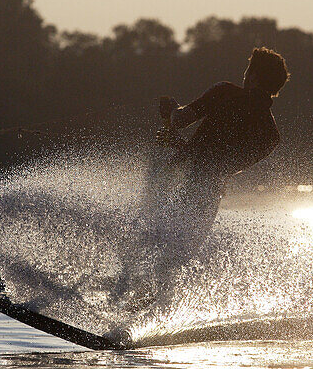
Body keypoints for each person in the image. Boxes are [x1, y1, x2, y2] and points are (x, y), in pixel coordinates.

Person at [117, 47, 289, 308]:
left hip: (177, 183)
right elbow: (223, 165)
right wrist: (182, 145)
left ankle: (121, 307)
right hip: (207, 200)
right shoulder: (270, 135)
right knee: (170, 262)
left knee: (147, 246)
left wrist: (170, 110)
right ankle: (137, 316)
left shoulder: (225, 92)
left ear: (253, 77)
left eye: (248, 70)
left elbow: (181, 119)